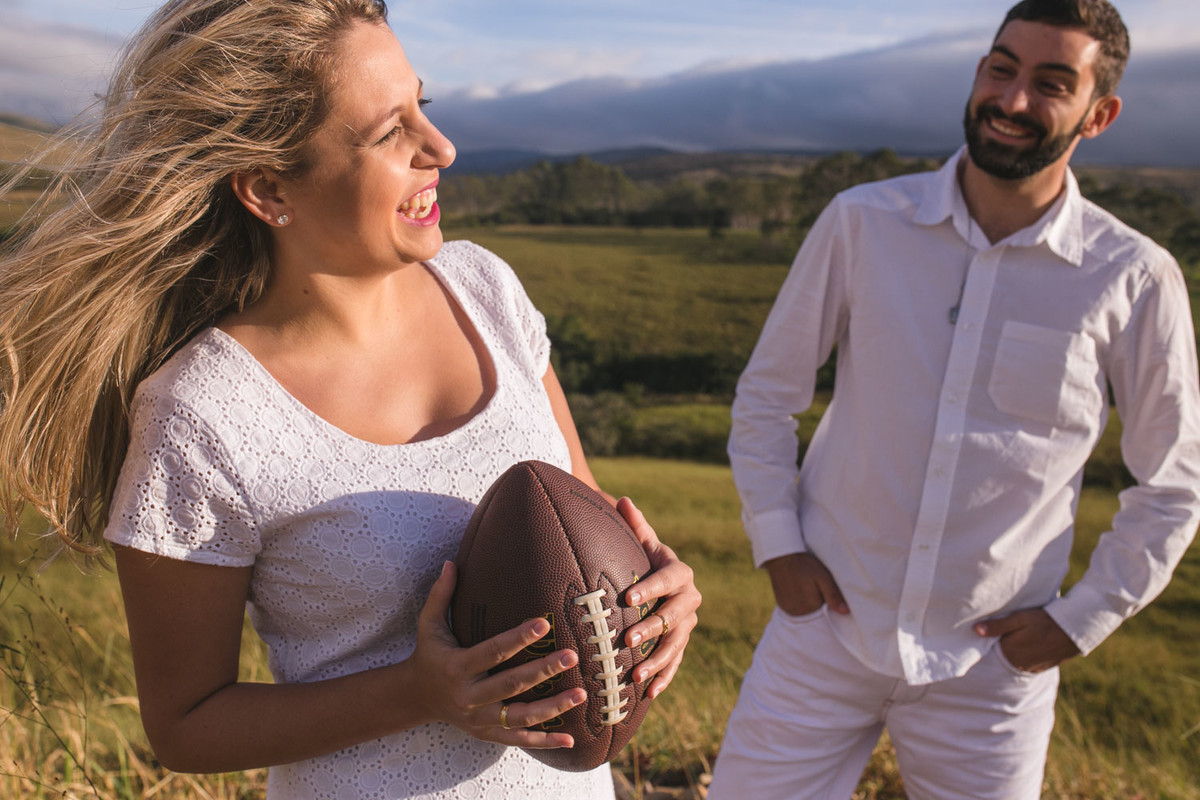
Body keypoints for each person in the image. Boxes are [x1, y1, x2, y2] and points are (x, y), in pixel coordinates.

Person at [0, 1, 700, 797]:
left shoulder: (486, 290)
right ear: (268, 188)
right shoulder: (202, 414)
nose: (441, 148)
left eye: (422, 106)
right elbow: (184, 724)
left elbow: (578, 530)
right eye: (390, 132)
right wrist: (417, 694)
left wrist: (654, 597)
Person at [708, 1, 1200, 798]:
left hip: (993, 668)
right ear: (978, 72)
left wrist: (1079, 622)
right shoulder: (862, 223)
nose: (1012, 99)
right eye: (1002, 69)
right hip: (825, 632)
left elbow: (1173, 484)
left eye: (1052, 84)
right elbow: (767, 396)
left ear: (1099, 114)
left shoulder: (1133, 278)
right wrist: (779, 545)